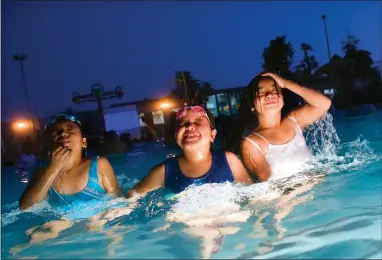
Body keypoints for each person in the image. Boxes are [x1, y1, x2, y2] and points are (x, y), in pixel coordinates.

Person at [126, 105, 253, 198]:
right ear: (176, 136)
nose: (190, 126)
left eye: (198, 122)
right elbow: (132, 196)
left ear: (213, 135)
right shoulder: (164, 171)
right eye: (183, 123)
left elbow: (253, 193)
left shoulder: (229, 160)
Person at [18, 114, 122, 210]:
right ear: (49, 144)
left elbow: (119, 203)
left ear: (83, 142)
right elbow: (25, 208)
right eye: (56, 131)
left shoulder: (98, 165)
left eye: (70, 130)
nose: (63, 133)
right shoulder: (41, 174)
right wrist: (53, 169)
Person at [241, 72, 331, 182]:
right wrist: (311, 180)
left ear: (282, 99)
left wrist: (286, 83)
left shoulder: (294, 121)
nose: (269, 95)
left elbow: (324, 104)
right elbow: (271, 187)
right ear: (252, 105)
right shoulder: (252, 144)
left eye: (274, 90)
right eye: (261, 93)